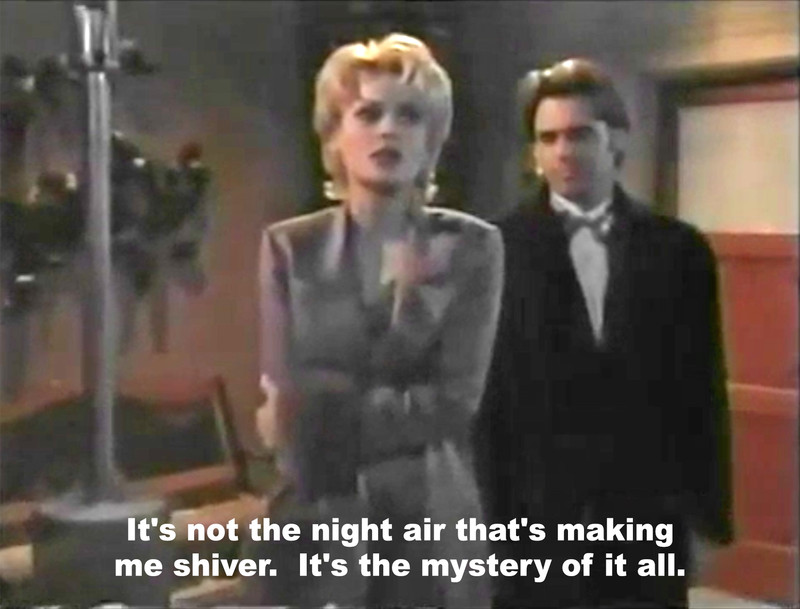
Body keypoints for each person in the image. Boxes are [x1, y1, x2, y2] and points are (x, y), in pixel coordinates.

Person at [247, 33, 503, 607]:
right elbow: (284, 401)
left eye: (409, 116)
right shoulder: (291, 247)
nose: (389, 130)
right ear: (335, 135)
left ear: (431, 138)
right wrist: (302, 414)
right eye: (368, 113)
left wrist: (320, 411)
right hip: (314, 508)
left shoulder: (473, 247)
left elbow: (454, 403)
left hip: (427, 516)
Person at [477, 58, 733, 608]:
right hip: (534, 520)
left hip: (645, 513)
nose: (562, 152)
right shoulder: (496, 249)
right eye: (548, 138)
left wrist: (708, 520)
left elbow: (702, 393)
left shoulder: (679, 250)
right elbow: (487, 404)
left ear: (615, 139)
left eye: (579, 135)